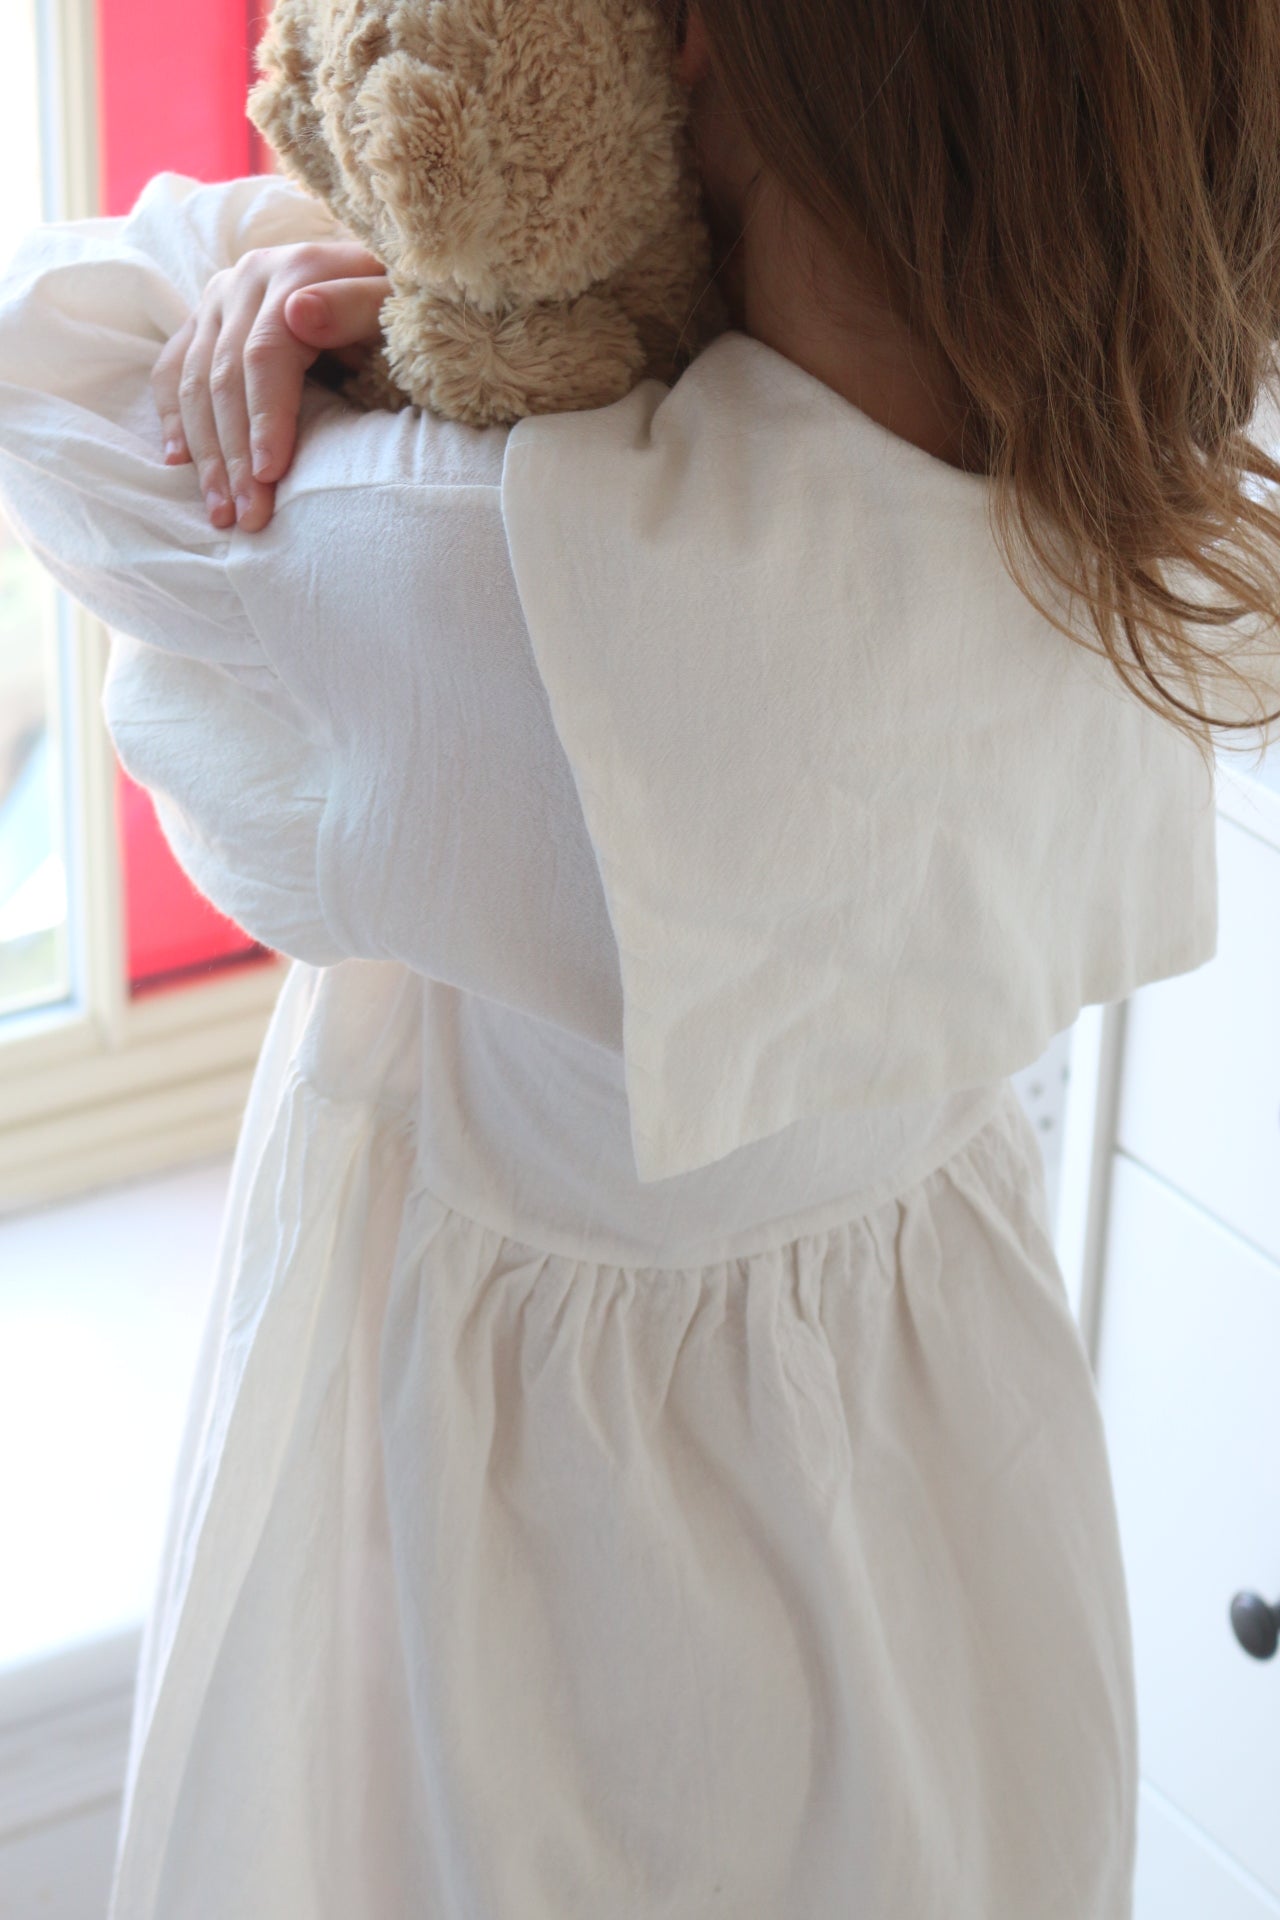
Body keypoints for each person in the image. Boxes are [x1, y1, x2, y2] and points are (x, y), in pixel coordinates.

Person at [0, 3, 1277, 1916]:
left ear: (708, 62)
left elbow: (50, 363)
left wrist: (293, 269)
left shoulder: (482, 574)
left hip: (531, 1578)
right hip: (940, 1478)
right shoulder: (1125, 490)